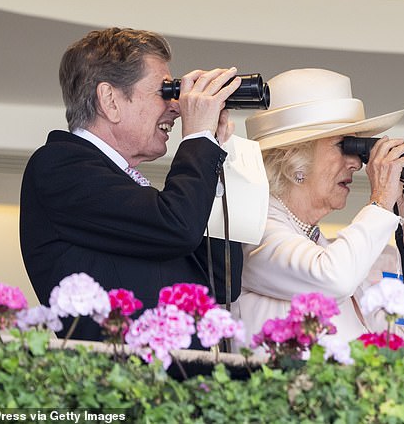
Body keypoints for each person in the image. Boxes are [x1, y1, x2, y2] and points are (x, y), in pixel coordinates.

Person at [20, 27, 243, 341]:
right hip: (122, 382)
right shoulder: (58, 165)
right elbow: (175, 227)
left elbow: (221, 280)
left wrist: (213, 152)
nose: (176, 107)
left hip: (179, 380)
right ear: (110, 100)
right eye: (164, 92)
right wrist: (197, 141)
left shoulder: (126, 186)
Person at [233, 68, 404, 347]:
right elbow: (333, 278)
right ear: (293, 157)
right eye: (343, 146)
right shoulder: (255, 234)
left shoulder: (327, 251)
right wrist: (380, 201)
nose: (356, 163)